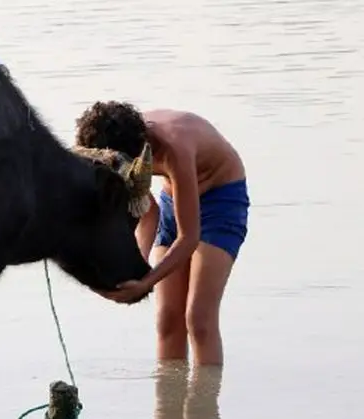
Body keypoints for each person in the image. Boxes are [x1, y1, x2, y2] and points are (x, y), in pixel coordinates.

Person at [75, 102, 250, 366]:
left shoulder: (173, 147)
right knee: (167, 318)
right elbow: (148, 213)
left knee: (199, 317)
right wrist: (139, 268)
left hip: (221, 199)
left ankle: (204, 405)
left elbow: (189, 237)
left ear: (139, 148)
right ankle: (167, 404)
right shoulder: (110, 150)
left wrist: (146, 284)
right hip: (174, 199)